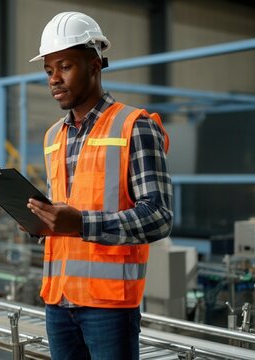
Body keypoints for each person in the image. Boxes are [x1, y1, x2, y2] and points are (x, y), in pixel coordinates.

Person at [26, 11, 173, 360]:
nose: (54, 79)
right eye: (49, 71)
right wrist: (38, 221)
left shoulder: (134, 127)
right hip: (57, 301)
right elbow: (66, 211)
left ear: (94, 65)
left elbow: (159, 216)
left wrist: (81, 224)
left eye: (65, 66)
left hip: (108, 305)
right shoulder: (53, 137)